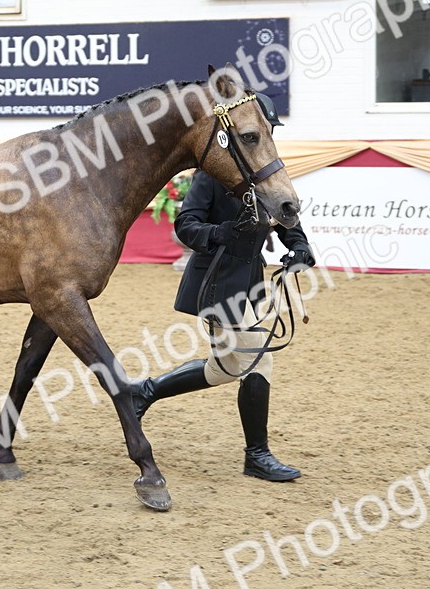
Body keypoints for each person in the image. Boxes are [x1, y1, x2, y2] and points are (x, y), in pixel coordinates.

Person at [132, 106, 315, 482]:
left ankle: (145, 392)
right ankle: (257, 455)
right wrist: (220, 233)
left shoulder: (266, 173)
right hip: (217, 283)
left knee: (223, 369)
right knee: (257, 361)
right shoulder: (212, 175)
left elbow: (285, 215)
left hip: (251, 281)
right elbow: (186, 225)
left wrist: (298, 246)